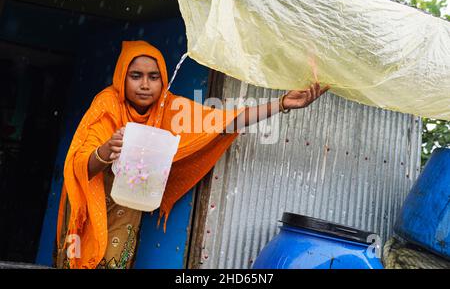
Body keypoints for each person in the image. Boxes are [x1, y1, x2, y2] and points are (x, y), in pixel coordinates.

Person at [55, 40, 329, 269]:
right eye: (135, 75)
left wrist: (282, 104)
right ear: (121, 77)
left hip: (127, 208)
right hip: (91, 205)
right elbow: (80, 165)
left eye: (154, 77)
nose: (145, 84)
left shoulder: (168, 109)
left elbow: (222, 121)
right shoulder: (107, 106)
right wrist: (104, 152)